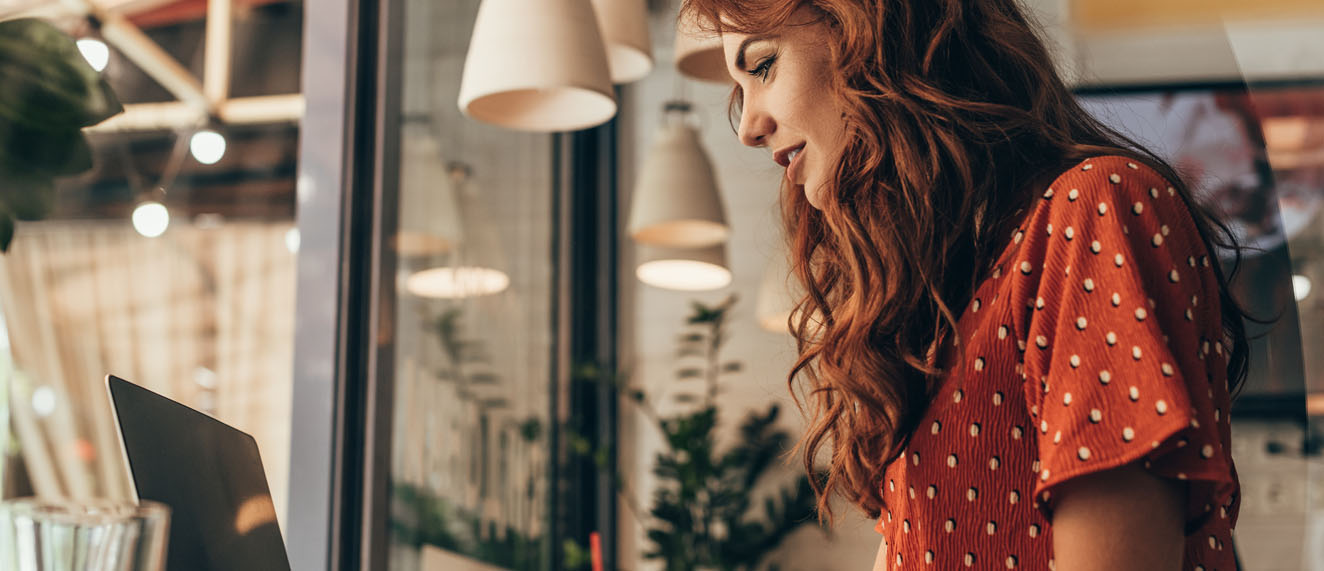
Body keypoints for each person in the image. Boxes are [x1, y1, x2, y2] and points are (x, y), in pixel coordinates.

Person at [678, 0, 1249, 569]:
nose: (749, 128)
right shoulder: (949, 300)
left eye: (762, 67)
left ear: (866, 23)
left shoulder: (1092, 209)